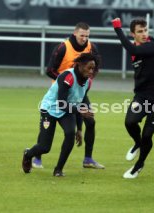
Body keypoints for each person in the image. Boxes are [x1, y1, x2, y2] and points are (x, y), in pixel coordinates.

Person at [32, 22, 104, 169]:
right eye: (82, 35)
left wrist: (83, 80)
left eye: (87, 36)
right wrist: (66, 80)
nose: (84, 38)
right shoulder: (63, 47)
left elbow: (96, 67)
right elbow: (50, 70)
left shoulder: (92, 47)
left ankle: (88, 159)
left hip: (79, 90)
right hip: (61, 92)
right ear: (75, 34)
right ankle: (37, 156)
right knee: (49, 121)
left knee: (90, 120)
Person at [111, 18, 154, 178]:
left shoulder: (152, 45)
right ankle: (137, 143)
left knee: (147, 135)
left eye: (145, 30)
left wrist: (117, 29)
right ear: (133, 34)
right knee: (129, 122)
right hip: (142, 96)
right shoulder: (135, 51)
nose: (144, 34)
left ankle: (138, 165)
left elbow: (133, 50)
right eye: (140, 31)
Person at [22, 53, 98, 177]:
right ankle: (28, 154)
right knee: (45, 147)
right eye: (88, 68)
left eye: (93, 68)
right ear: (79, 65)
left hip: (68, 110)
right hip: (50, 109)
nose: (91, 71)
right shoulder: (68, 76)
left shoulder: (88, 82)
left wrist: (79, 129)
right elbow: (61, 104)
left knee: (70, 134)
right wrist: (79, 111)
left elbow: (79, 103)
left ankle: (58, 170)